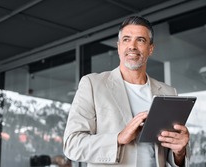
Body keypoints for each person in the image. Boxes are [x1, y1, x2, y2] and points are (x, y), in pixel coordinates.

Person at [63, 16, 190, 167]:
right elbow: (72, 145)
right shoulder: (92, 84)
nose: (132, 46)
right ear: (118, 47)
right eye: (126, 39)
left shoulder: (169, 93)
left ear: (150, 49)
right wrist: (118, 138)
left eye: (140, 40)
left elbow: (172, 153)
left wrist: (180, 152)